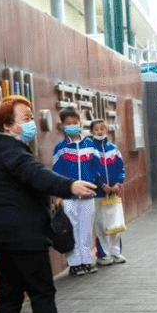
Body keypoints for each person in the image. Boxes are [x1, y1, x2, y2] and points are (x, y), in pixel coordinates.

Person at [0, 95, 92, 313]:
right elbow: (38, 175)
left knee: (9, 297)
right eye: (25, 119)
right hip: (24, 236)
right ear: (7, 125)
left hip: (1, 235)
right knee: (42, 294)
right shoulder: (12, 153)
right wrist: (69, 186)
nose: (31, 124)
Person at [52, 108, 104, 276]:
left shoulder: (90, 145)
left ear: (80, 122)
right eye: (68, 123)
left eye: (75, 122)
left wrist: (91, 186)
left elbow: (97, 167)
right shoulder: (61, 148)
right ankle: (74, 264)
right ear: (62, 126)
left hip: (87, 196)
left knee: (86, 230)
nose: (72, 125)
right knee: (72, 230)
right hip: (68, 196)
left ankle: (86, 262)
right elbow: (56, 173)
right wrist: (58, 195)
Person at [89, 119, 126, 266]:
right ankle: (103, 255)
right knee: (100, 225)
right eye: (96, 129)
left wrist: (118, 183)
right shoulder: (90, 149)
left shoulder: (114, 149)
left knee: (115, 223)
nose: (99, 132)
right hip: (98, 194)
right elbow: (92, 170)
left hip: (113, 193)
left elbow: (120, 168)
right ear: (91, 131)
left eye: (102, 129)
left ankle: (116, 252)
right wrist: (102, 185)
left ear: (107, 130)